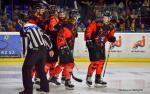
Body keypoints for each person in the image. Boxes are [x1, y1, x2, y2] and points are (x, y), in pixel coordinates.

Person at [19, 3, 54, 94]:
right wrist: (50, 48)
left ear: (22, 21)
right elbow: (45, 36)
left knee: (26, 68)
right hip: (43, 50)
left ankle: (28, 90)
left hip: (34, 49)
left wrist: (24, 52)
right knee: (40, 69)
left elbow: (25, 41)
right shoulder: (36, 26)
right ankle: (45, 88)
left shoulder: (24, 28)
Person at [84, 10, 116, 87]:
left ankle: (98, 79)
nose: (104, 18)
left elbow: (109, 36)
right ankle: (88, 77)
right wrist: (88, 39)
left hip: (102, 45)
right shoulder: (96, 23)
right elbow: (88, 30)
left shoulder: (111, 26)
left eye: (106, 17)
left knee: (101, 61)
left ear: (109, 18)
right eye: (104, 17)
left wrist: (111, 38)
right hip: (93, 44)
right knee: (95, 62)